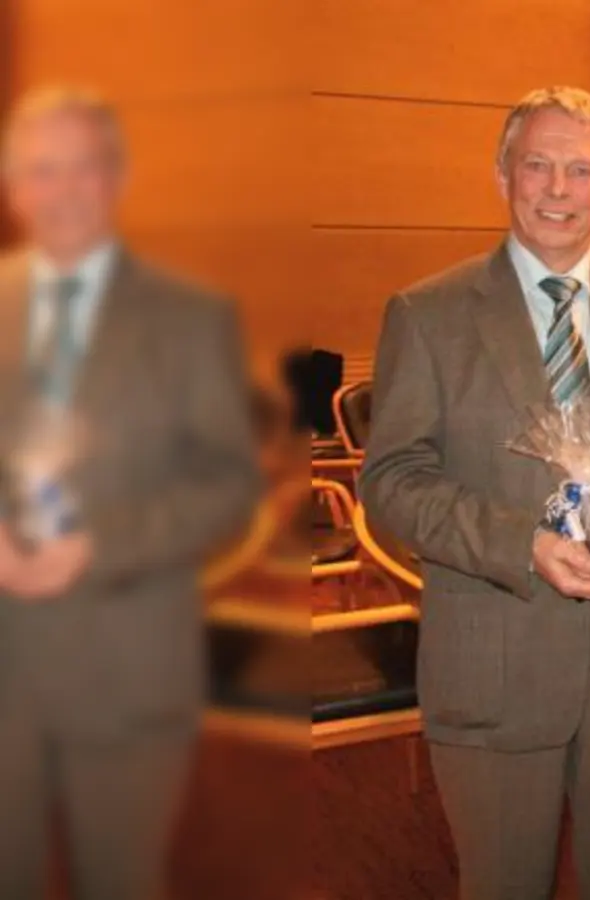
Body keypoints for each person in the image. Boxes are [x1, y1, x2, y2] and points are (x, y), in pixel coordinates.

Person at [358, 86, 590, 900]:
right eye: (537, 165)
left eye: (580, 170)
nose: (556, 188)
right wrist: (523, 543)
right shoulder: (428, 313)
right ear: (501, 174)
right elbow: (391, 483)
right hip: (493, 669)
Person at [0, 87, 261, 900]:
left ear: (117, 177)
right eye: (41, 171)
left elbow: (229, 486)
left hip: (129, 670)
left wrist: (97, 544)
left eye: (82, 168)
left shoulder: (192, 317)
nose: (62, 191)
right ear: (13, 186)